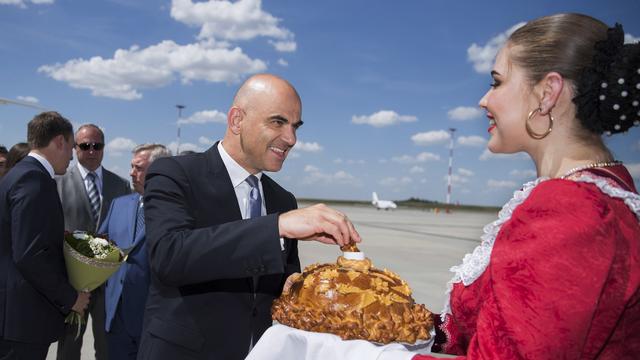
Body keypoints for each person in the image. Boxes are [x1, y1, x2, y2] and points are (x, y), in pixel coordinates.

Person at [416, 13, 640, 359]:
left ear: (547, 93)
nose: (484, 101)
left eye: (497, 82)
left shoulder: (568, 210)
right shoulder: (606, 187)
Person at [138, 73, 361, 360]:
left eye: (295, 127)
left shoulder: (283, 199)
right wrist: (277, 226)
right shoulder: (174, 173)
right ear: (236, 121)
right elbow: (169, 256)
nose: (291, 138)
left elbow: (281, 285)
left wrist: (319, 288)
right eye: (278, 122)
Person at [0, 112, 90, 359]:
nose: (72, 156)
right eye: (71, 147)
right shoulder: (34, 179)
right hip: (20, 322)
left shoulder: (18, 175)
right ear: (60, 141)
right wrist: (72, 298)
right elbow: (30, 255)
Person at [56, 124, 131, 360]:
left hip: (107, 283)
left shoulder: (120, 185)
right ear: (75, 148)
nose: (91, 151)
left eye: (97, 146)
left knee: (107, 346)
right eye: (85, 146)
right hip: (71, 283)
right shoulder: (57, 182)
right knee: (69, 346)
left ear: (104, 148)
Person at [98, 144, 171, 360]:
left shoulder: (176, 210)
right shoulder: (118, 205)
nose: (131, 173)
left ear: (158, 171)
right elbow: (99, 248)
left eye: (138, 168)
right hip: (117, 317)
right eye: (131, 166)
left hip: (154, 320)